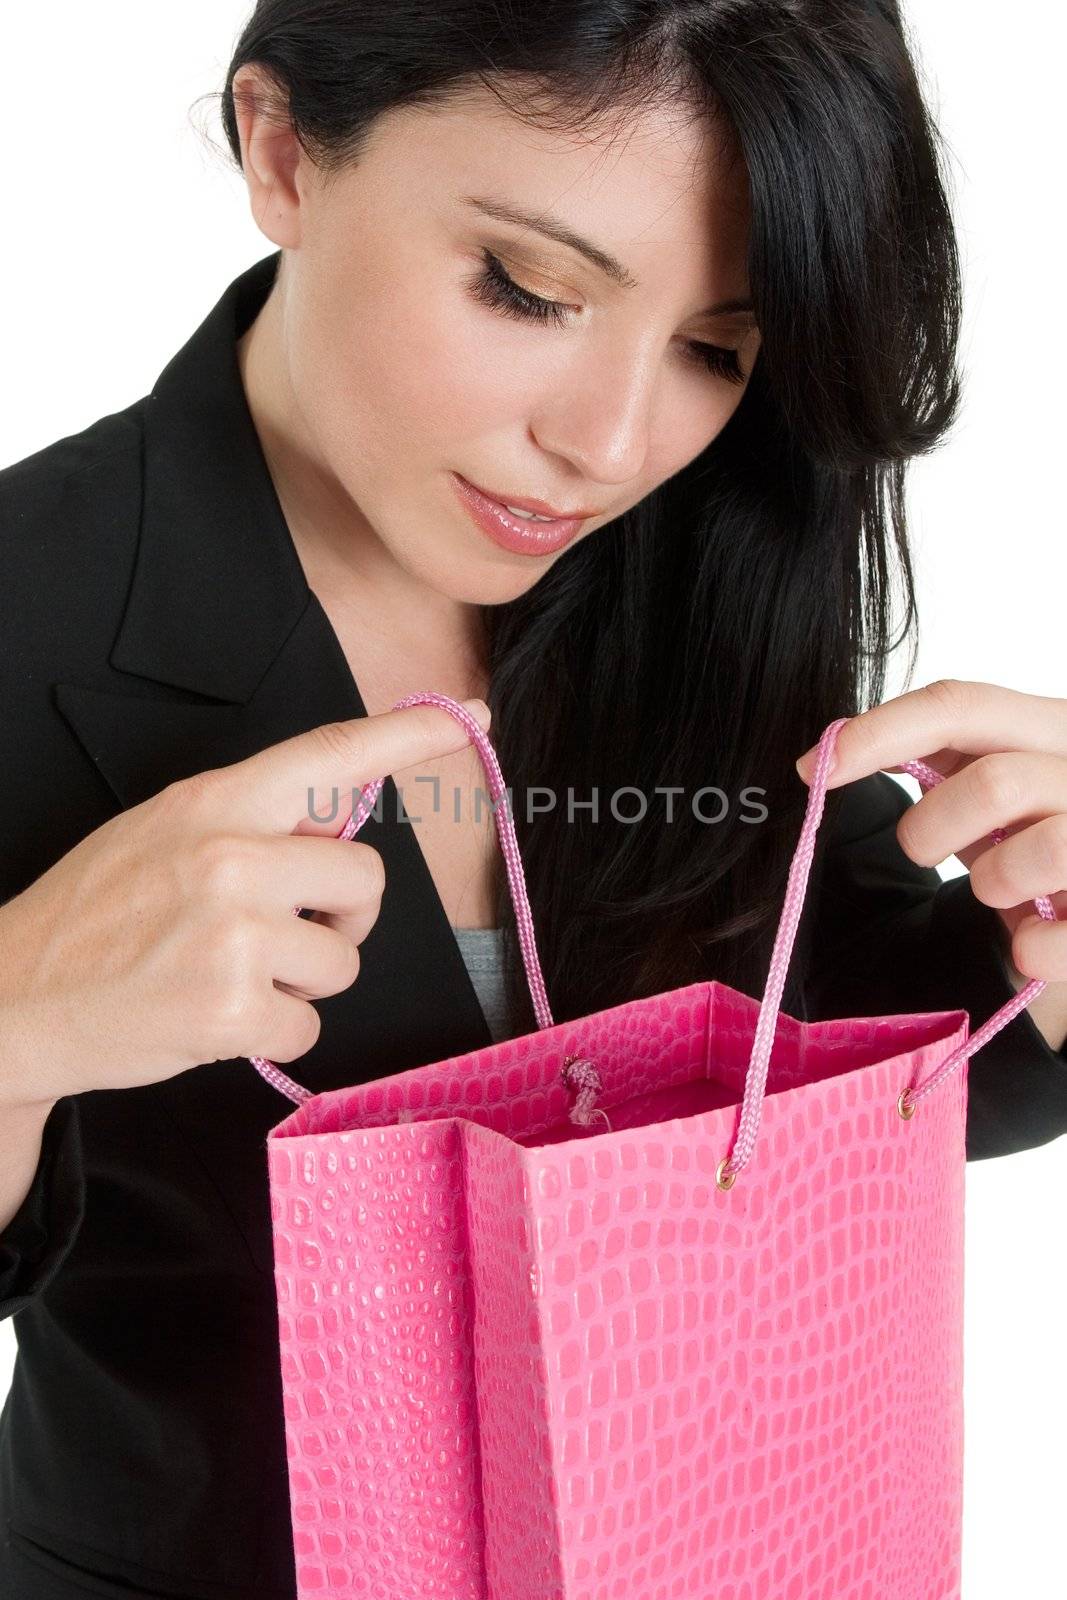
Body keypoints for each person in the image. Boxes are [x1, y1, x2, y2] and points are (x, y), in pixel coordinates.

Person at [1, 2, 1065, 1595]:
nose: (610, 444)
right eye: (532, 288)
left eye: (718, 348)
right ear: (283, 150)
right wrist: (18, 1016)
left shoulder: (692, 562)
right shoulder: (31, 608)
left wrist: (1041, 936)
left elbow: (839, 1053)